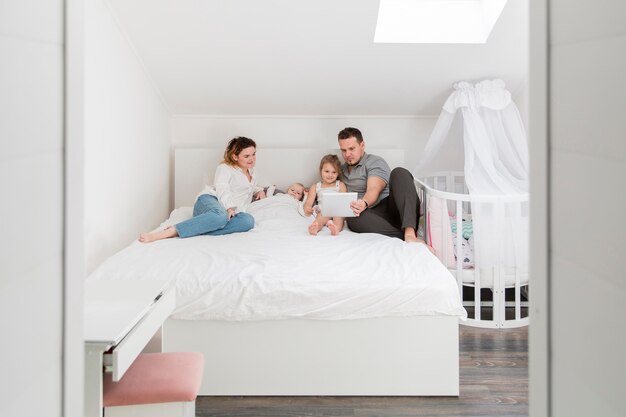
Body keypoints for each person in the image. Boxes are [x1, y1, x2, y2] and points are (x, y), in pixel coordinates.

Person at [139, 137, 265, 243]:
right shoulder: (225, 168)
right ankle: (170, 232)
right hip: (210, 201)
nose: (252, 159)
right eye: (247, 156)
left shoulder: (253, 172)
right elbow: (223, 188)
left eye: (254, 154)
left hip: (230, 211)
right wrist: (229, 208)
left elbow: (249, 187)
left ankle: (195, 229)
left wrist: (259, 190)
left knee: (248, 221)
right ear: (235, 157)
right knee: (220, 217)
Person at [337, 127, 430, 247]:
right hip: (373, 218)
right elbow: (329, 186)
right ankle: (400, 235)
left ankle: (410, 232)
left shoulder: (374, 162)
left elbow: (374, 189)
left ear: (362, 145)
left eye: (351, 149)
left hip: (393, 209)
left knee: (399, 172)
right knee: (352, 217)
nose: (347, 154)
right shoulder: (340, 171)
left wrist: (364, 202)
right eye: (343, 150)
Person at [303, 154, 348, 236]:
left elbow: (344, 200)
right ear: (321, 171)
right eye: (327, 171)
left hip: (337, 210)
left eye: (334, 172)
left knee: (338, 217)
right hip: (323, 210)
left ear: (338, 173)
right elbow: (309, 201)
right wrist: (307, 207)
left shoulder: (340, 185)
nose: (330, 175)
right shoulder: (316, 186)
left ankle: (336, 229)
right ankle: (315, 228)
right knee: (320, 217)